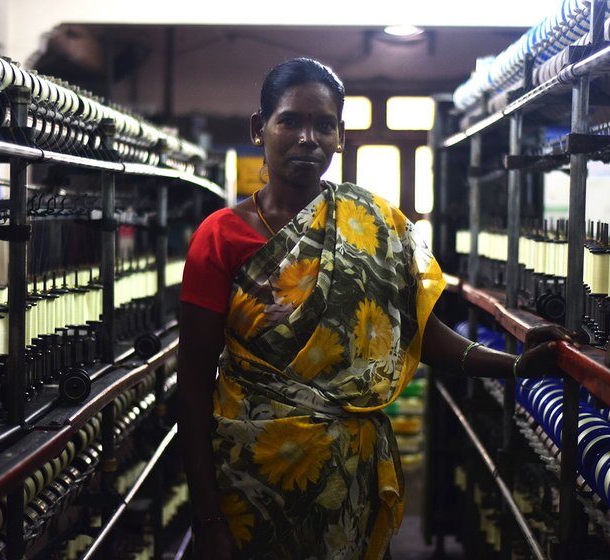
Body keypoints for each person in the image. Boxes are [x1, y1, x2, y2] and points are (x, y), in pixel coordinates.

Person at [177, 57, 571, 560]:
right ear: (261, 128)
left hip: (348, 484)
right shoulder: (220, 237)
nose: (307, 137)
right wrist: (208, 521)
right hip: (250, 478)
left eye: (323, 124)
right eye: (290, 120)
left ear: (340, 135)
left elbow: (420, 333)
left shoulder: (373, 222)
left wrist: (514, 363)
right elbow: (191, 385)